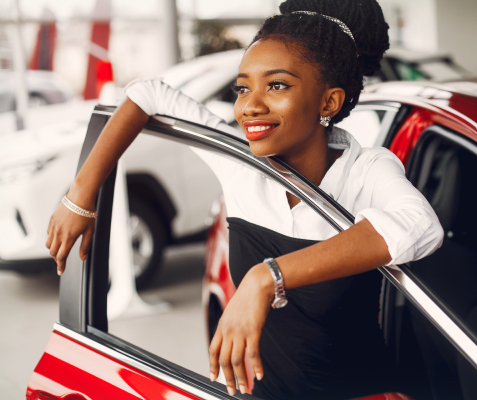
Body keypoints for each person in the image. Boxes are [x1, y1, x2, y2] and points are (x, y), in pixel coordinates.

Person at [46, 1, 444, 399]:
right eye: (243, 87)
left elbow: (420, 226)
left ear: (329, 102)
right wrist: (79, 197)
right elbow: (147, 94)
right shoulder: (238, 160)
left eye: (277, 85)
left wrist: (265, 277)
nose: (250, 105)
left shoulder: (366, 170)